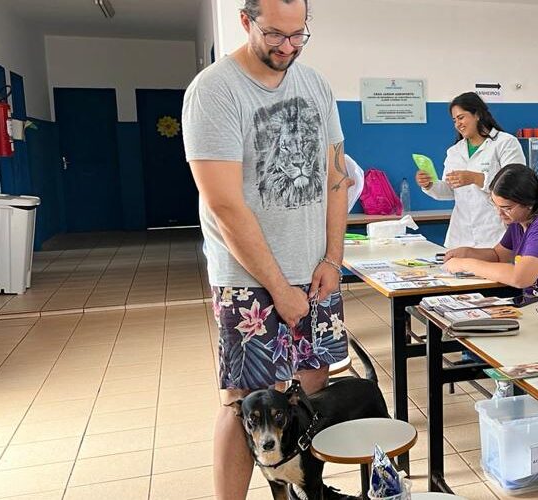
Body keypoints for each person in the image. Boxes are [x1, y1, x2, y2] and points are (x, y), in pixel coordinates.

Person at [182, 0, 350, 498]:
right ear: (245, 21)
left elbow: (336, 178)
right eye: (276, 35)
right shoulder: (213, 91)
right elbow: (224, 205)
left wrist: (332, 260)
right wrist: (278, 287)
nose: (288, 47)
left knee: (308, 395)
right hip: (248, 281)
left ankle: (304, 491)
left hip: (314, 272)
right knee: (243, 403)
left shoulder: (316, 85)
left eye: (299, 35)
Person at [441, 164, 538, 294]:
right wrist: (467, 252)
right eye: (495, 206)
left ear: (528, 203)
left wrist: (466, 264)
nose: (500, 213)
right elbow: (499, 255)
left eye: (507, 208)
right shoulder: (519, 220)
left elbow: (520, 278)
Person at [416, 92, 525, 249]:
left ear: (478, 114)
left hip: (495, 235)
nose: (458, 124)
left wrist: (475, 178)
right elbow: (449, 190)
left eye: (461, 117)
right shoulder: (454, 151)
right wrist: (429, 185)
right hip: (460, 237)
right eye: (454, 120)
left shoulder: (505, 142)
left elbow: (517, 185)